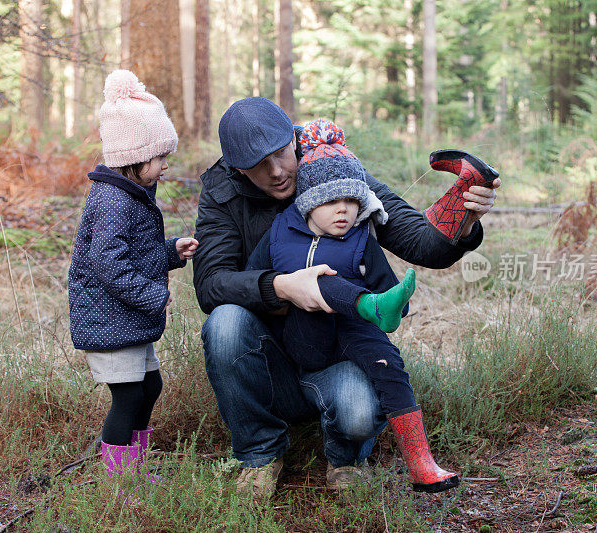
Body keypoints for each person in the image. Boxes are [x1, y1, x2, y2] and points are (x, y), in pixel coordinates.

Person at [193, 97, 499, 497]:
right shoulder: (222, 192)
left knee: (357, 414)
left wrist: (465, 217)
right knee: (225, 322)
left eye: (282, 154)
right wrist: (281, 287)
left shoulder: (330, 163)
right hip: (271, 359)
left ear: (294, 138)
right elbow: (211, 283)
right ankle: (260, 454)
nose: (278, 172)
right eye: (258, 166)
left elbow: (424, 244)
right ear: (236, 168)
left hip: (339, 352)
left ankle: (348, 458)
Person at [245, 118, 458, 493]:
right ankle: (363, 306)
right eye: (331, 201)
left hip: (354, 336)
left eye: (351, 200)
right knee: (317, 277)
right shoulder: (280, 231)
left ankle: (422, 463)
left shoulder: (362, 240)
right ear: (309, 202)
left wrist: (392, 308)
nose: (343, 210)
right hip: (304, 335)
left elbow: (394, 302)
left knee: (390, 366)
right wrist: (284, 292)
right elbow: (252, 279)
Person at [68, 70, 198, 479]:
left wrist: (169, 252)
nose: (165, 165)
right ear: (135, 157)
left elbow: (134, 254)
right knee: (128, 398)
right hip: (110, 321)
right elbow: (108, 263)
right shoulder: (112, 200)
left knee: (150, 387)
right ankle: (121, 482)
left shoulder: (131, 195)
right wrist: (152, 295)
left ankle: (134, 469)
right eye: (160, 157)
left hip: (127, 320)